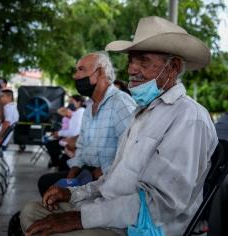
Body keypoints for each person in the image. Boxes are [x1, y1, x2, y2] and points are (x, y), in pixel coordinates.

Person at [20, 16, 218, 236]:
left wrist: (81, 218)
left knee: (53, 228)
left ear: (172, 67)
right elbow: (113, 181)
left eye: (143, 60)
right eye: (131, 61)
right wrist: (74, 194)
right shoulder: (143, 112)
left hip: (142, 227)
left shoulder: (188, 117)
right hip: (112, 211)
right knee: (31, 212)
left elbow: (160, 205)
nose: (132, 69)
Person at [37, 51, 136, 196]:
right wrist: (69, 179)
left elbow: (132, 152)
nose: (75, 75)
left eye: (81, 69)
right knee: (46, 183)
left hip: (107, 181)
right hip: (86, 174)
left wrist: (100, 172)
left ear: (100, 72)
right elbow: (82, 148)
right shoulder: (89, 108)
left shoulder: (121, 103)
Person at [46, 95, 85, 168]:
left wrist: (60, 134)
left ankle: (56, 162)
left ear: (79, 102)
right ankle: (56, 162)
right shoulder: (76, 112)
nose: (70, 103)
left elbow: (74, 132)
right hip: (70, 137)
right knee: (51, 144)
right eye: (69, 101)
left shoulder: (80, 112)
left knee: (51, 145)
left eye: (71, 101)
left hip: (74, 140)